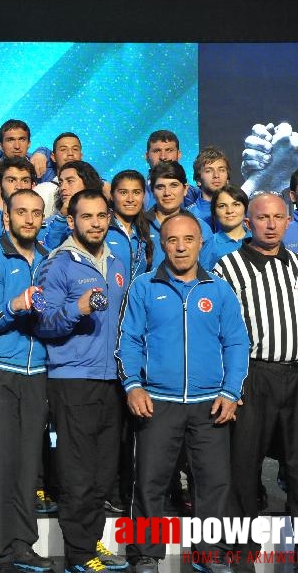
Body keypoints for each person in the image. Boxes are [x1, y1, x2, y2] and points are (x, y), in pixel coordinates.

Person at [213, 193, 298, 572]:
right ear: (248, 222)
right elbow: (218, 331)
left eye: (278, 217)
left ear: (288, 221)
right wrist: (230, 385)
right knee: (244, 464)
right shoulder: (228, 267)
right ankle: (241, 551)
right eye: (262, 217)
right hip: (254, 375)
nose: (271, 224)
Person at [118, 212, 250, 573]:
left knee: (214, 482)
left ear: (200, 243)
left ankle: (210, 553)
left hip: (210, 404)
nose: (180, 247)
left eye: (188, 240)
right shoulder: (143, 286)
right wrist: (133, 385)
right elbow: (128, 340)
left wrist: (230, 391)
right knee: (150, 480)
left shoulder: (219, 289)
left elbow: (237, 343)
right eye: (173, 240)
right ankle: (145, 552)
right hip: (157, 402)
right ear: (163, 244)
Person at [36, 189, 129, 573]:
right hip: (72, 380)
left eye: (101, 216)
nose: (95, 223)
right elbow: (43, 321)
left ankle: (90, 544)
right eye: (87, 216)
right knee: (76, 472)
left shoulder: (119, 259)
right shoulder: (57, 265)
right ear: (71, 221)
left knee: (103, 472)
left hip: (113, 380)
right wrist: (77, 307)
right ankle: (78, 553)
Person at [0, 189, 51, 573]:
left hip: (37, 374)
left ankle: (24, 545)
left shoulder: (49, 261)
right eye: (21, 212)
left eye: (35, 213)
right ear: (6, 216)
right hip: (0, 372)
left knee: (27, 466)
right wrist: (14, 306)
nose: (28, 219)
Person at [144, 161, 217, 270]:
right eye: (160, 187)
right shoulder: (138, 225)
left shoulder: (201, 228)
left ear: (185, 189)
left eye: (174, 185)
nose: (167, 193)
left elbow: (206, 275)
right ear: (152, 191)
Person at [43, 160, 104, 250]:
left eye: (70, 181)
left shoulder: (106, 218)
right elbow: (47, 251)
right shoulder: (50, 223)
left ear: (87, 183)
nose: (62, 188)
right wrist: (61, 218)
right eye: (60, 183)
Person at [106, 170, 153, 283]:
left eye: (136, 192)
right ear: (112, 195)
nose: (130, 199)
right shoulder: (102, 228)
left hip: (136, 299)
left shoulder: (144, 229)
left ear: (144, 196)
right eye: (123, 193)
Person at [142, 130, 199, 210]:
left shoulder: (195, 195)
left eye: (169, 150)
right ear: (147, 156)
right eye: (157, 151)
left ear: (179, 155)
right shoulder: (136, 193)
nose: (163, 157)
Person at [34, 132, 83, 215]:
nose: (70, 153)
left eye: (75, 149)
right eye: (63, 149)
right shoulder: (42, 190)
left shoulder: (94, 188)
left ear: (81, 156)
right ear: (53, 157)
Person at [187, 146, 230, 230]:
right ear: (198, 180)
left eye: (221, 170)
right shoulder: (187, 216)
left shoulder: (240, 212)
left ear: (228, 178)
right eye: (208, 171)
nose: (216, 175)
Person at [211, 184, 250, 261]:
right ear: (214, 212)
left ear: (245, 209)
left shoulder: (258, 240)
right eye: (222, 206)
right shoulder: (209, 244)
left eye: (236, 205)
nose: (229, 211)